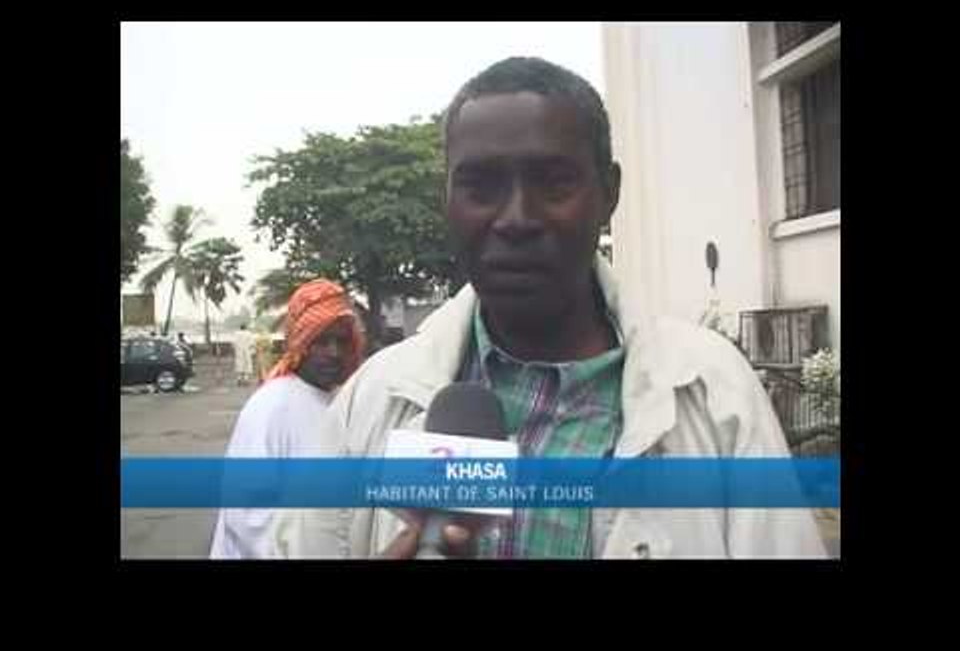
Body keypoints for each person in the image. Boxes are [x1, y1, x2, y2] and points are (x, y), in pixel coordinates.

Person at [271, 57, 827, 559]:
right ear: (448, 199)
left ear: (608, 193)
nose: (515, 218)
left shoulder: (714, 391)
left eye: (554, 182)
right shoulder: (373, 399)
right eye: (481, 185)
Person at [209, 279, 365, 559]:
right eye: (322, 341)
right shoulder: (271, 406)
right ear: (301, 343)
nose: (334, 353)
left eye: (341, 341)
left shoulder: (343, 400)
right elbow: (248, 515)